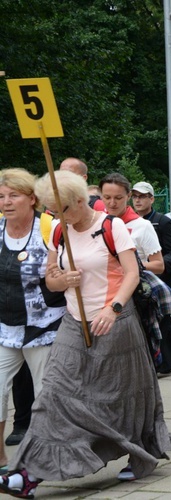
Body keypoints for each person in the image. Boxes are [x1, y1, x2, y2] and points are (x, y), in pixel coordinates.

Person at [0, 171, 171, 498]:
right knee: (53, 393)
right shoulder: (57, 232)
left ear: (80, 201)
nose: (54, 216)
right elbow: (51, 280)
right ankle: (28, 474)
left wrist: (114, 309)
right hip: (73, 322)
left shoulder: (111, 227)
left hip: (115, 322)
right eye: (51, 209)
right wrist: (61, 280)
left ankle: (136, 453)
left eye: (61, 209)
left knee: (119, 396)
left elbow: (133, 273)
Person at [0, 169, 66, 475]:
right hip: (5, 327)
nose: (6, 202)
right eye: (1, 196)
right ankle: (1, 460)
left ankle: (45, 459)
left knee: (46, 393)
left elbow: (69, 268)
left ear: (31, 198)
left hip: (45, 326)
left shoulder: (49, 228)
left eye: (13, 195)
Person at [131, 181, 171, 373]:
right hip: (135, 279)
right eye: (135, 196)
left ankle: (167, 361)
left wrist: (157, 268)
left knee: (162, 319)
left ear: (151, 199)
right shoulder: (127, 223)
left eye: (142, 196)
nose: (138, 200)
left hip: (158, 279)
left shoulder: (162, 222)